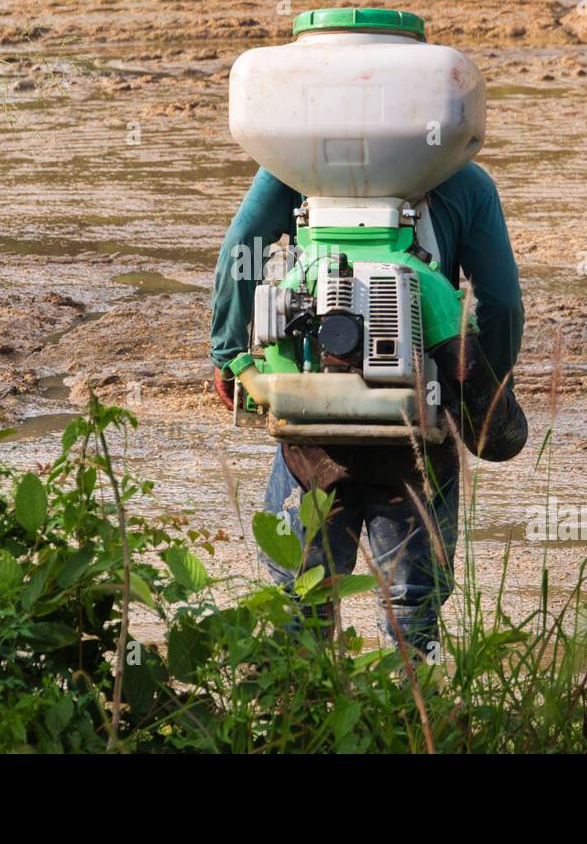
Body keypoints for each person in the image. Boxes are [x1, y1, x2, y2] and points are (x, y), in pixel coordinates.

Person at [210, 161, 526, 653]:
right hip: (416, 439)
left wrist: (230, 356)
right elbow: (503, 302)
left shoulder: (295, 153)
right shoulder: (462, 177)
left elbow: (241, 247)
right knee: (411, 613)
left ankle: (295, 719)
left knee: (301, 600)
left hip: (311, 437)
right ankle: (412, 722)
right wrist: (483, 397)